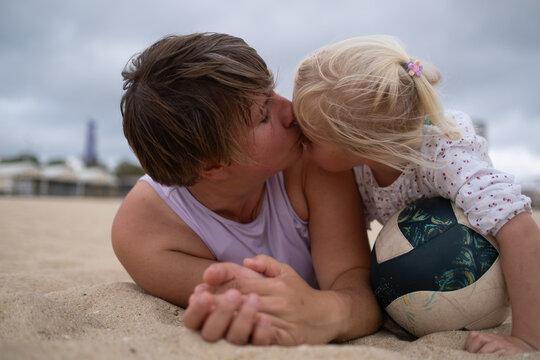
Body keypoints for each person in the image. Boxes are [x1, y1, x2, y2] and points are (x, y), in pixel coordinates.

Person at [112, 32, 381, 346]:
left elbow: (358, 292)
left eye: (272, 91)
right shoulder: (145, 230)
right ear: (212, 165)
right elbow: (250, 304)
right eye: (264, 115)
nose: (292, 111)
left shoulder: (313, 160)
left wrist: (327, 313)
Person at [292, 35, 540, 355]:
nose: (298, 139)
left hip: (475, 271)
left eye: (308, 137)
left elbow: (521, 231)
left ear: (361, 145)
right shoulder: (356, 167)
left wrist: (527, 339)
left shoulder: (445, 159)